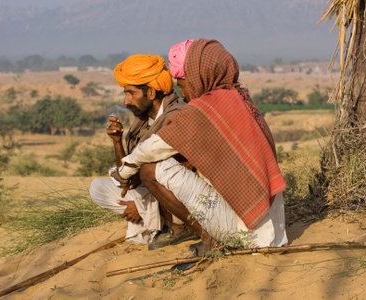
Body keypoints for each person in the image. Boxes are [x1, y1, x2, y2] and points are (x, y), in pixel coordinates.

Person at [112, 39, 288, 256]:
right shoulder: (240, 98)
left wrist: (125, 170)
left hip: (246, 234)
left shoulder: (205, 108)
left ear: (197, 77)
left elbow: (154, 147)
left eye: (183, 83)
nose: (183, 93)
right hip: (274, 232)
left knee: (150, 170)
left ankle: (210, 242)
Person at [89, 53, 196, 247]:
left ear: (152, 93)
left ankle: (175, 227)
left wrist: (141, 206)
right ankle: (150, 219)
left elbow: (172, 175)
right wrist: (117, 142)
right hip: (147, 193)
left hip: (176, 199)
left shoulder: (176, 117)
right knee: (97, 187)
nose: (126, 101)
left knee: (151, 172)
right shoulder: (142, 123)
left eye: (131, 93)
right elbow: (128, 176)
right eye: (125, 93)